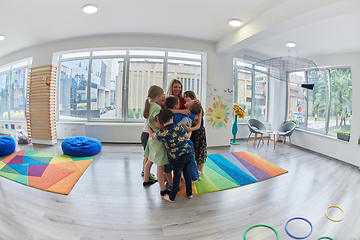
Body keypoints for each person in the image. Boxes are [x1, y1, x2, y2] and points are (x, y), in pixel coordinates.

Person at [149, 108, 193, 203]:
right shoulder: (178, 127)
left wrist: (149, 128)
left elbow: (153, 135)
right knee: (187, 174)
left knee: (176, 177)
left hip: (178, 157)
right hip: (188, 153)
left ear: (160, 121)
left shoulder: (163, 133)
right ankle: (189, 193)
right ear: (172, 117)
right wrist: (190, 131)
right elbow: (187, 136)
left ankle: (171, 197)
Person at [164, 95, 202, 183]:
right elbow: (196, 117)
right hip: (185, 139)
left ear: (189, 107)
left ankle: (194, 176)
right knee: (190, 159)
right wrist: (199, 109)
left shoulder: (179, 114)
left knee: (188, 160)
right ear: (175, 106)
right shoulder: (187, 114)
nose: (184, 103)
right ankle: (195, 174)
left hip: (183, 140)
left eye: (188, 102)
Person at [142, 85, 170, 196]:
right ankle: (163, 189)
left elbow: (151, 122)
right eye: (162, 96)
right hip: (158, 138)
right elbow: (161, 124)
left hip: (151, 138)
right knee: (160, 165)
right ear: (158, 96)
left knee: (149, 160)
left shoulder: (148, 105)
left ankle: (146, 180)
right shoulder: (157, 108)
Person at [183, 97, 207, 176]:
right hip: (192, 133)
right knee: (193, 151)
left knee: (200, 151)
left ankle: (200, 170)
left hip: (199, 133)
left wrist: (189, 129)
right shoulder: (188, 111)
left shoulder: (197, 109)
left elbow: (198, 125)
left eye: (187, 98)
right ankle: (195, 170)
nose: (185, 99)